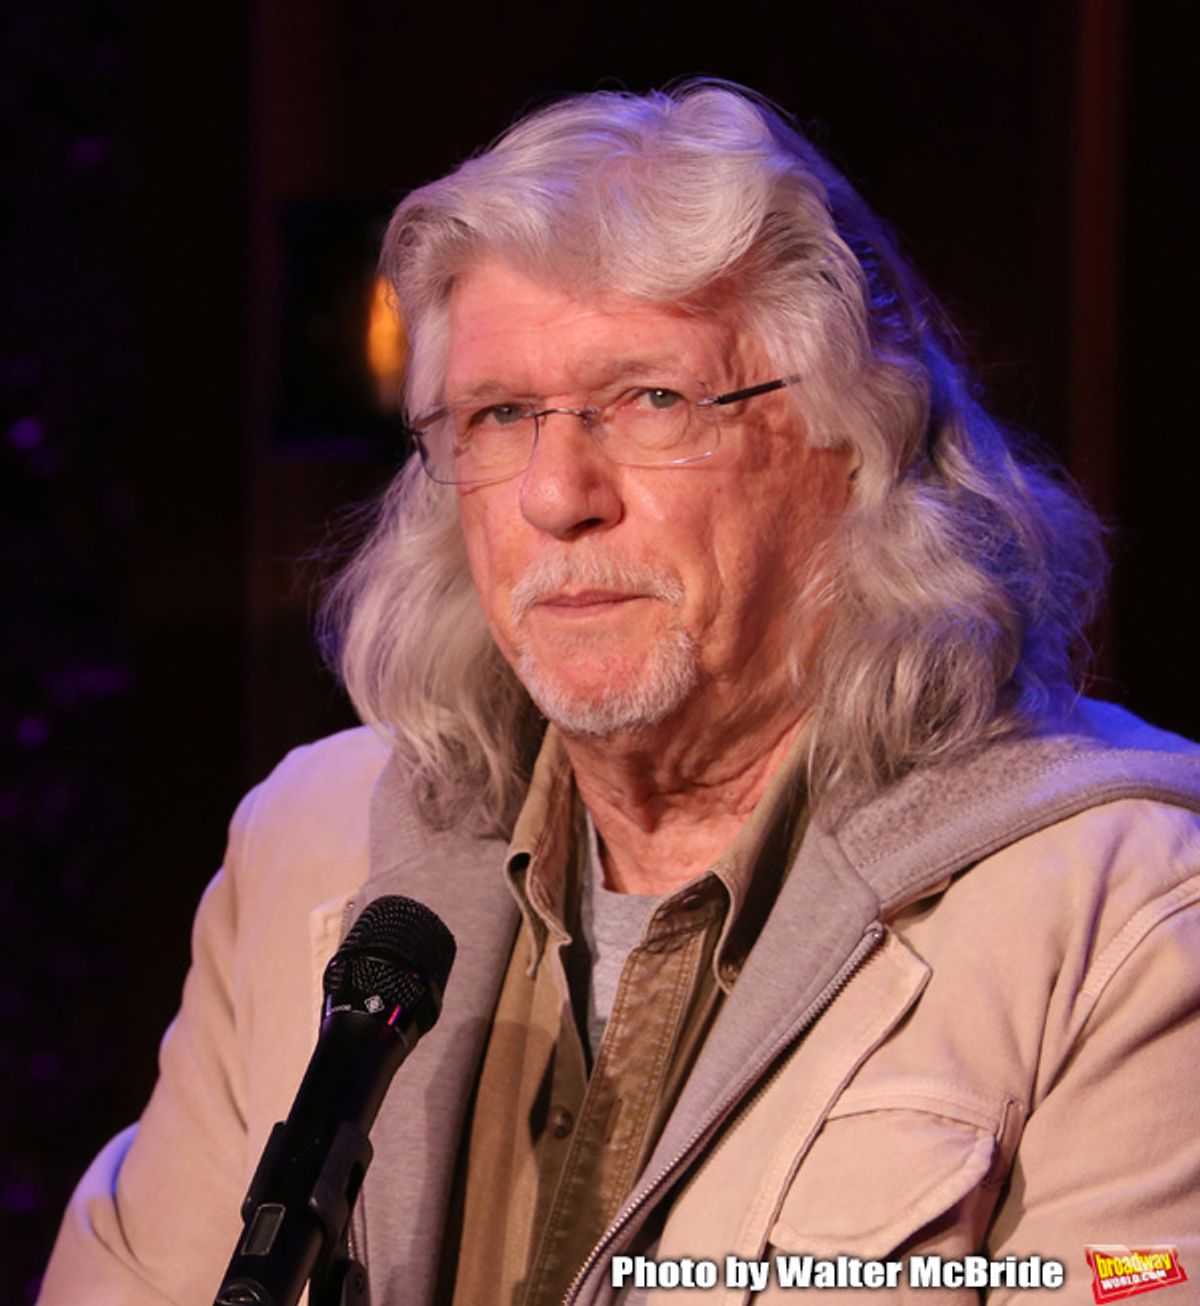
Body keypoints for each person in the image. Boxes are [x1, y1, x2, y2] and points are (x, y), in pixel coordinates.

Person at [40, 81, 1200, 1305]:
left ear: (856, 445)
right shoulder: (309, 846)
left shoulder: (1127, 914)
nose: (554, 495)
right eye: (498, 415)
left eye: (652, 400)